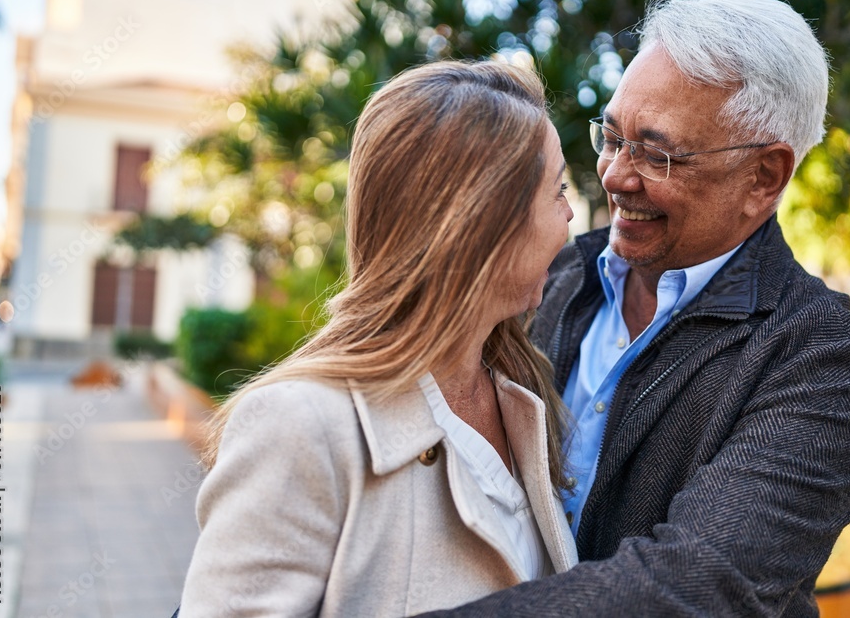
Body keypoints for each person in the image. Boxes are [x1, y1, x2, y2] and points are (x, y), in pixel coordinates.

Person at [420, 0, 850, 617]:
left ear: (764, 177)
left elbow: (691, 587)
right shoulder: (552, 274)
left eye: (658, 153)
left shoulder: (826, 363)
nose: (615, 174)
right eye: (611, 137)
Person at [176, 60, 578, 617]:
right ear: (487, 224)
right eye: (556, 191)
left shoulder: (522, 397)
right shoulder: (300, 427)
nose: (570, 216)